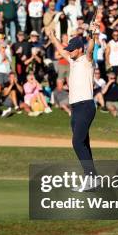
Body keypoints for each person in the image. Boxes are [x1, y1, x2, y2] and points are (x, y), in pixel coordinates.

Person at [46, 25, 98, 183]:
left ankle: (90, 178)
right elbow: (62, 51)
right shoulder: (73, 60)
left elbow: (90, 49)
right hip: (75, 108)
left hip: (86, 105)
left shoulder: (87, 60)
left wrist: (93, 35)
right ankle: (92, 178)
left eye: (72, 49)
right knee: (84, 143)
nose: (69, 51)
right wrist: (53, 37)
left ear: (79, 49)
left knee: (77, 142)